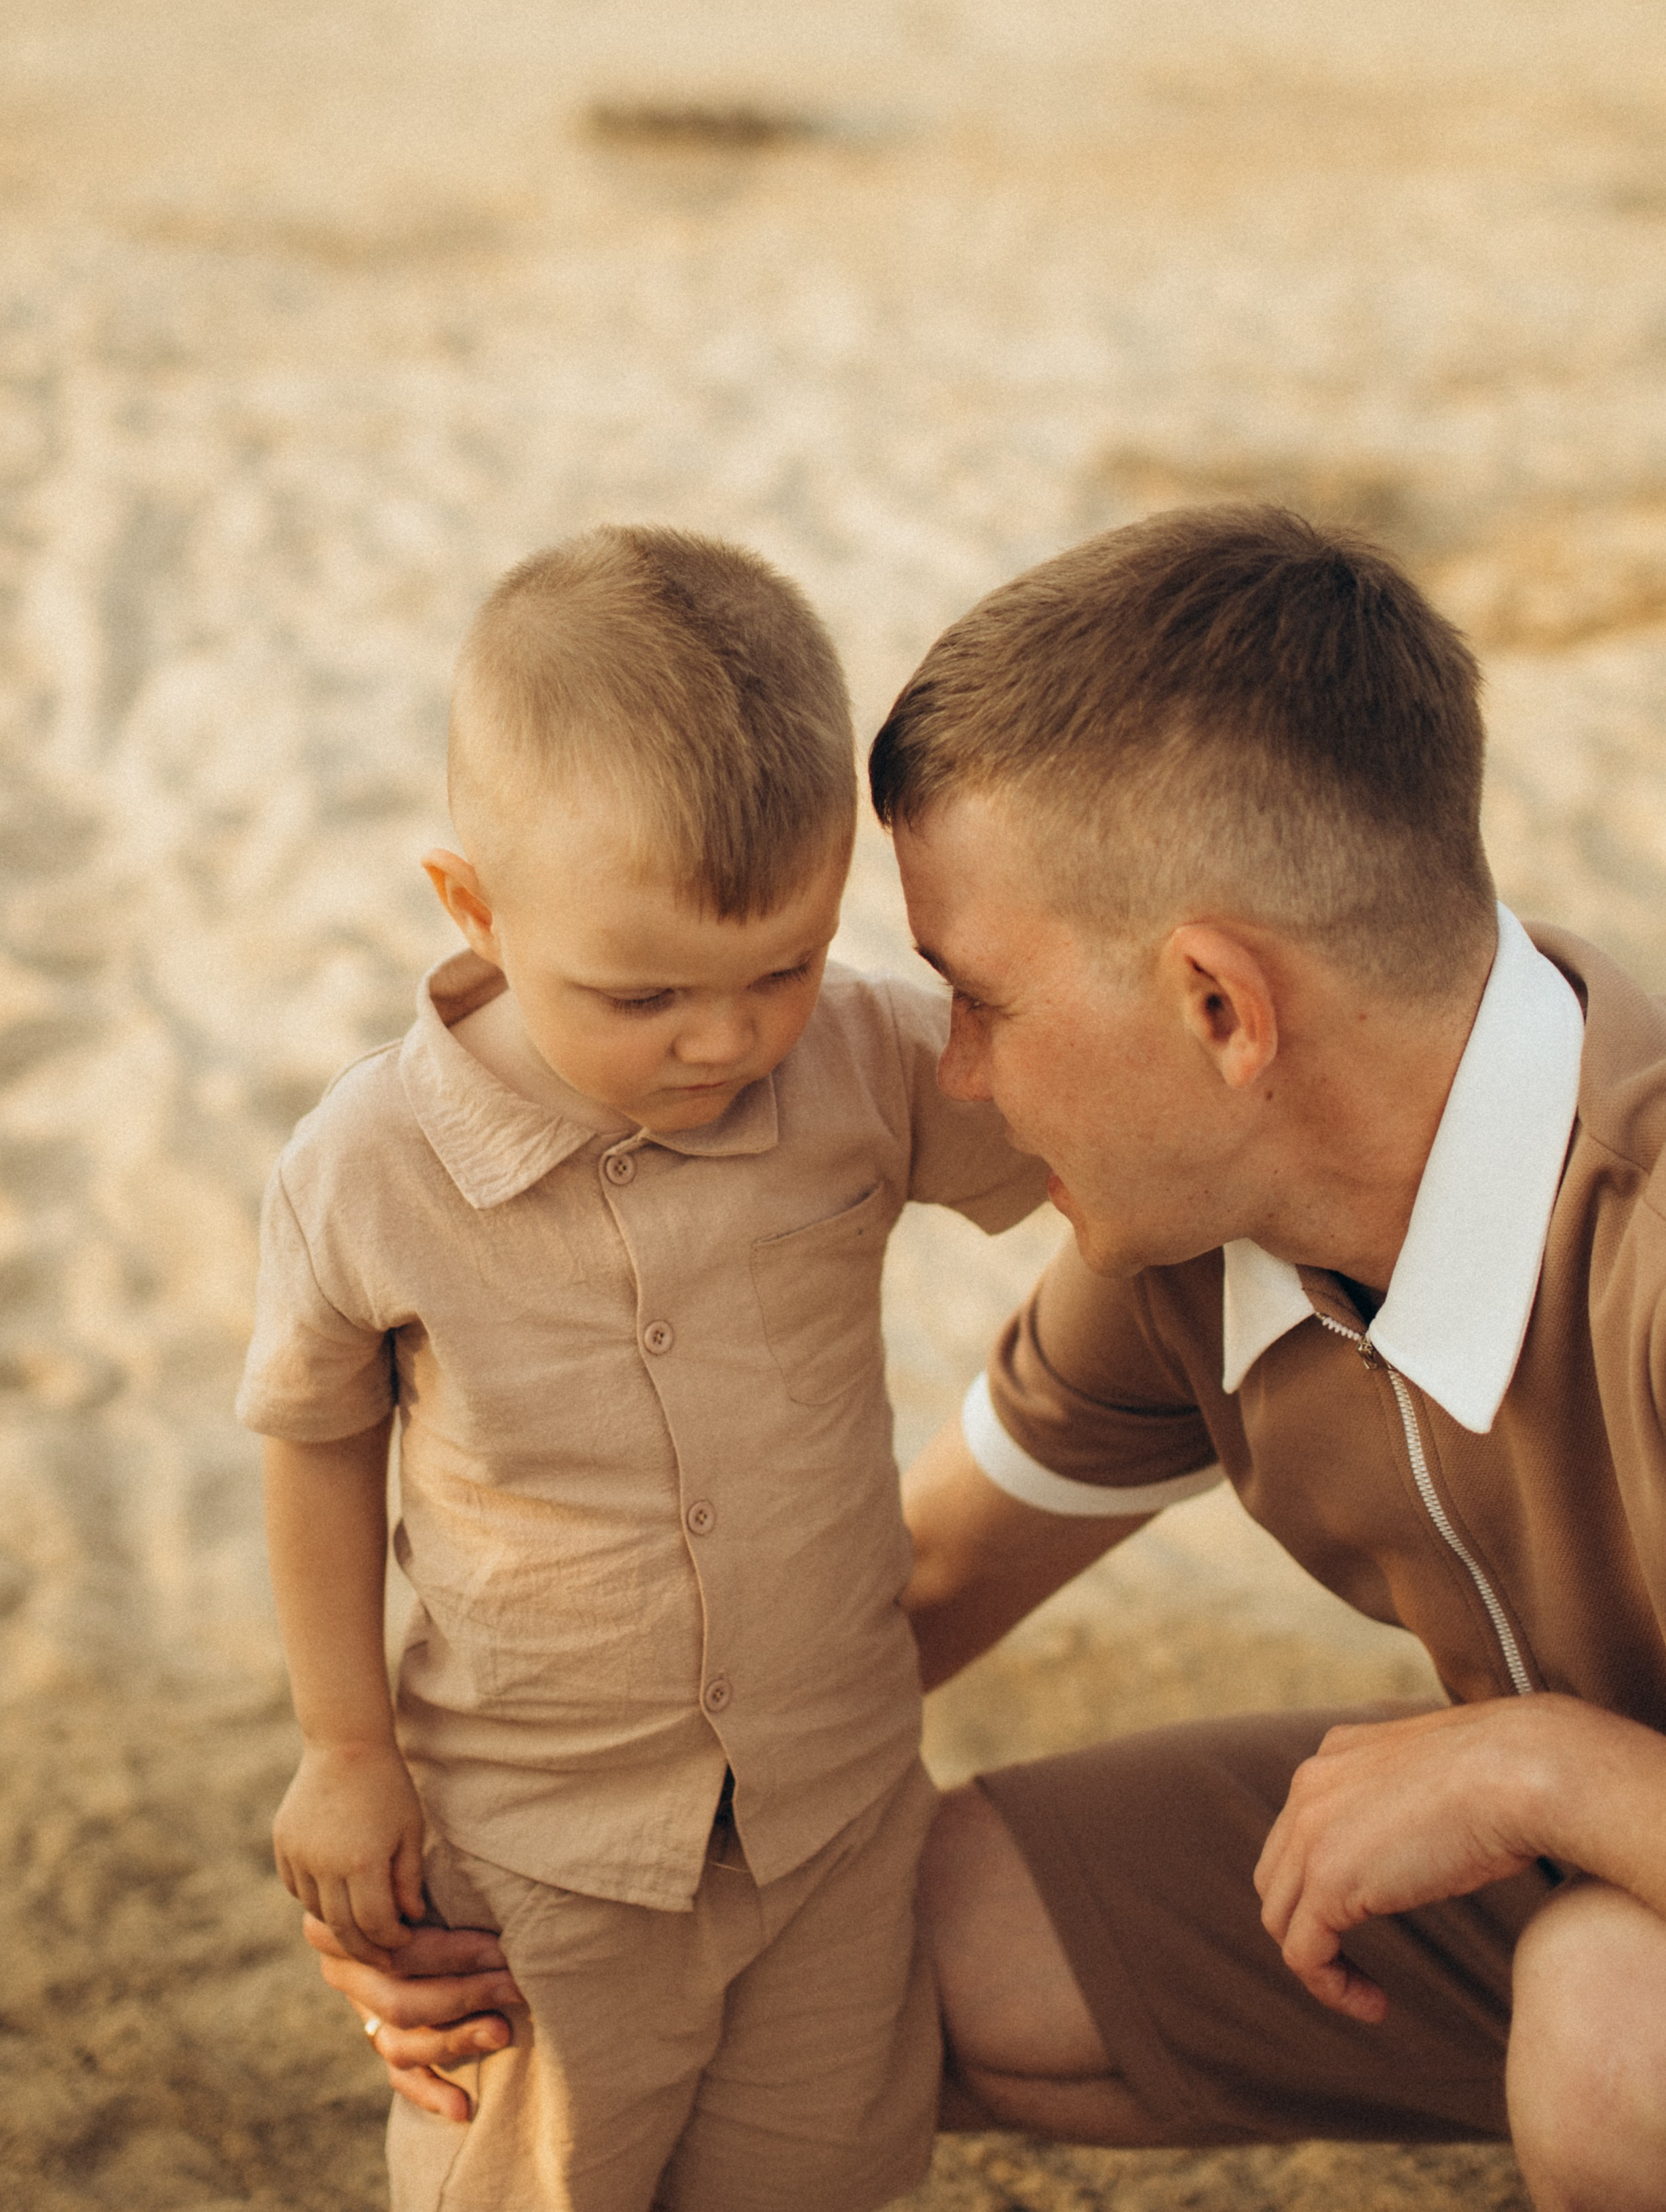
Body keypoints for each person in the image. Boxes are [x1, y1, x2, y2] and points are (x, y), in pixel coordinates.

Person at [311, 508, 1666, 2212]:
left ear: (1220, 1008)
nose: (950, 1073)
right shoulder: (1200, 1232)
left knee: (1618, 2017)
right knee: (884, 1943)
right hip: (1551, 1859)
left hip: (1620, 1902)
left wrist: (1543, 1764)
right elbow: (922, 1573)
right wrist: (498, 1874)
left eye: (979, 996)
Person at [239, 525, 1048, 2212]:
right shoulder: (370, 1163)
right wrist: (343, 1742)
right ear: (474, 902)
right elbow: (316, 1437)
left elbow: (1095, 1149)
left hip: (833, 1803)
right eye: (645, 990)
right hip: (542, 1847)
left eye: (782, 963)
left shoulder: (862, 1061)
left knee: (815, 2173)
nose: (727, 1035)